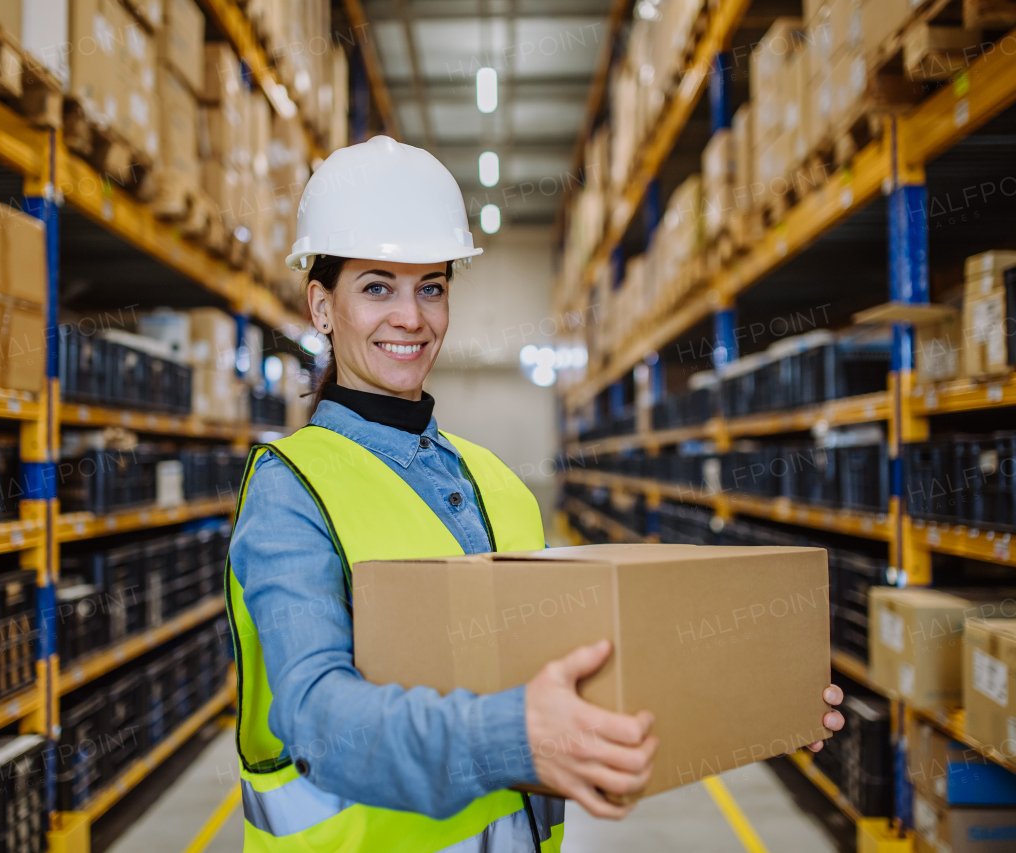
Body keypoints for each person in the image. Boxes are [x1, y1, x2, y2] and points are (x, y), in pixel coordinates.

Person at [224, 135, 845, 851]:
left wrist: (754, 700)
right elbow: (320, 721)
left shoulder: (496, 482)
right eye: (376, 286)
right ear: (322, 306)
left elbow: (583, 668)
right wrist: (513, 737)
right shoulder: (290, 490)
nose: (413, 318)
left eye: (432, 286)